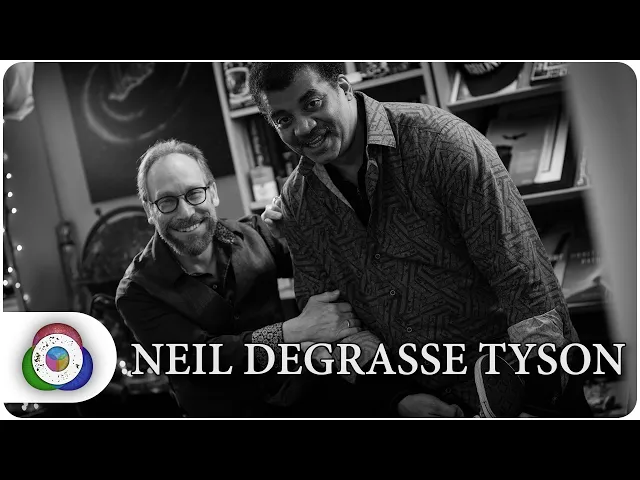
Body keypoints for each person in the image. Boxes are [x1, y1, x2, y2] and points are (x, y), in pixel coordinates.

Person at [248, 62, 593, 418]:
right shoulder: (297, 201)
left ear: (344, 88)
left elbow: (520, 273)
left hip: (522, 382)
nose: (303, 128)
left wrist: (537, 395)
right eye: (283, 119)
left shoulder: (441, 142)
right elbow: (332, 321)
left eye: (312, 103)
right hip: (419, 401)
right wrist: (395, 396)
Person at [115, 138, 365, 418]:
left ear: (213, 193)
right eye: (166, 201)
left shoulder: (256, 233)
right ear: (149, 210)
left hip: (304, 401)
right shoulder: (136, 291)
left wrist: (297, 235)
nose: (185, 212)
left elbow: (329, 265)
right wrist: (293, 332)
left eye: (194, 193)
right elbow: (199, 358)